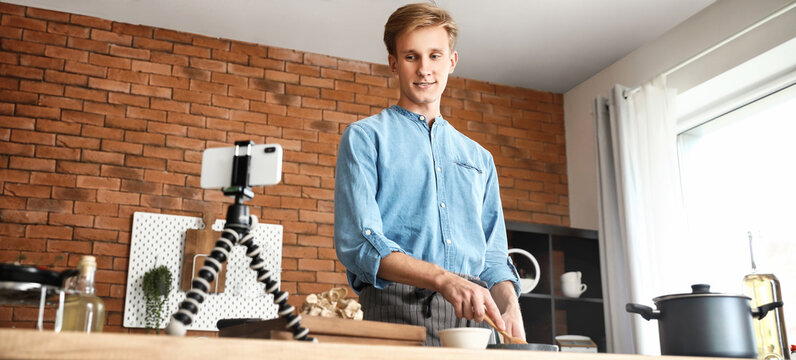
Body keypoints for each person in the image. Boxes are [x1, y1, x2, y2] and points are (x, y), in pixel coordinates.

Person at [334, 2, 524, 346]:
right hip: (395, 313)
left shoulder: (480, 158)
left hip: (476, 318)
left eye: (435, 55)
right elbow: (359, 242)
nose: (425, 69)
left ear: (451, 61)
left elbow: (493, 257)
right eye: (411, 57)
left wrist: (509, 304)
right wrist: (443, 279)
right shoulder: (364, 138)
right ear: (394, 64)